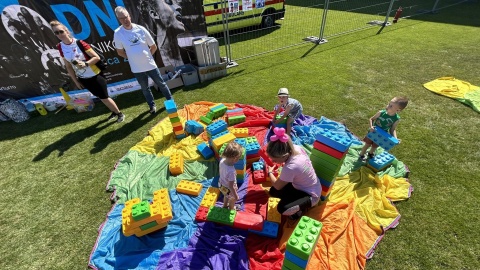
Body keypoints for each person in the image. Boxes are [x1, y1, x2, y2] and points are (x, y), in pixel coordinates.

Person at [50, 20, 125, 123]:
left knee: (104, 97)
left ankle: (119, 114)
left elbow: (97, 57)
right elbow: (68, 66)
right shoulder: (60, 46)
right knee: (100, 96)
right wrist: (76, 81)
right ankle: (113, 112)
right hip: (83, 78)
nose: (59, 34)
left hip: (95, 74)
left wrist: (85, 64)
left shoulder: (79, 43)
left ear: (66, 31)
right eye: (56, 33)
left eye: (61, 31)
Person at [113, 6, 173, 114]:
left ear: (130, 16)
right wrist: (130, 58)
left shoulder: (141, 29)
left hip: (150, 65)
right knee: (145, 89)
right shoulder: (118, 33)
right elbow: (120, 52)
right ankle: (152, 106)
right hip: (137, 68)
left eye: (126, 17)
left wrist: (147, 56)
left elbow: (153, 46)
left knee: (161, 84)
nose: (125, 20)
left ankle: (171, 101)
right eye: (122, 18)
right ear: (119, 19)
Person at [266, 127, 320, 221]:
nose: (273, 161)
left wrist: (270, 172)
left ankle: (298, 212)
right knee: (273, 192)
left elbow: (277, 186)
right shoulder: (295, 148)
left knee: (282, 209)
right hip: (305, 185)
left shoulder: (290, 167)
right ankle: (295, 200)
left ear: (284, 156)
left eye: (275, 160)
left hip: (311, 195)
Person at [358, 97, 409, 161]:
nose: (387, 106)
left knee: (375, 146)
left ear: (398, 110)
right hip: (372, 132)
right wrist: (371, 126)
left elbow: (392, 129)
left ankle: (370, 153)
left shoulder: (396, 119)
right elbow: (371, 119)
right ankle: (361, 154)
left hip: (381, 135)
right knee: (367, 144)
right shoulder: (381, 113)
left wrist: (395, 139)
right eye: (388, 104)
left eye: (391, 106)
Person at [137, 0, 186, 67]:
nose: (179, 7)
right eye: (169, 2)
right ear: (154, 14)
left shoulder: (188, 53)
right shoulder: (151, 59)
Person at [218, 141, 243, 210]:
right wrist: (235, 195)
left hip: (221, 185)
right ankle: (232, 208)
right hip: (229, 188)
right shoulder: (231, 171)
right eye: (239, 158)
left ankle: (225, 205)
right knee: (232, 199)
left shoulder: (222, 160)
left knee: (226, 195)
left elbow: (222, 172)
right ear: (235, 158)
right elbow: (231, 186)